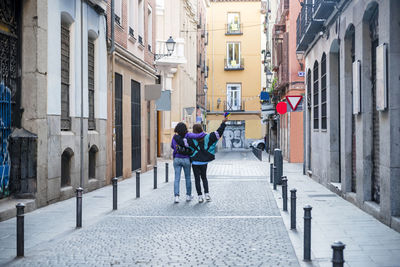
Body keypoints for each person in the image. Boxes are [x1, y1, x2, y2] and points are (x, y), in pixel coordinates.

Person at [175, 118, 227, 203]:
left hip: (195, 162)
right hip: (204, 162)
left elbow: (181, 141)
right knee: (204, 177)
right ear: (201, 129)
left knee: (197, 179)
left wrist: (176, 135)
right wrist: (223, 123)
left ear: (194, 131)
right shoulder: (207, 137)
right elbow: (218, 133)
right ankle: (207, 195)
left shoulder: (191, 139)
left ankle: (199, 196)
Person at [171, 122, 205, 203]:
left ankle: (176, 197)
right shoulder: (188, 135)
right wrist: (204, 133)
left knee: (177, 178)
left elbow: (172, 146)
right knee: (188, 178)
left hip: (177, 159)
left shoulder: (174, 137)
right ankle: (188, 196)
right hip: (186, 159)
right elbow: (198, 135)